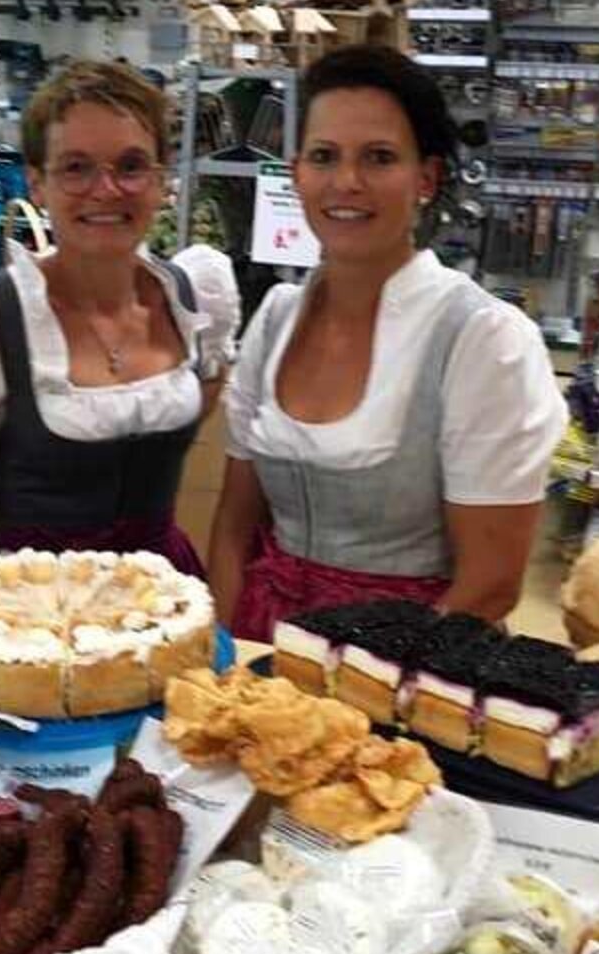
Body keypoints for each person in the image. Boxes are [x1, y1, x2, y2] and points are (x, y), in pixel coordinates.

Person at [209, 45, 569, 640]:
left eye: (378, 157)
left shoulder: (481, 340)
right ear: (297, 173)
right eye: (324, 156)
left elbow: (489, 585)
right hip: (264, 649)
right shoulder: (274, 320)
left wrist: (353, 683)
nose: (346, 182)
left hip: (416, 657)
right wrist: (226, 661)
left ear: (425, 177)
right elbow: (232, 531)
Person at [0, 61, 239, 578]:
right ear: (37, 183)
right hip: (34, 602)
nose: (106, 189)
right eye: (76, 168)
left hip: (162, 595)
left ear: (161, 180)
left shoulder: (193, 301)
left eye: (131, 166)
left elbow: (198, 403)